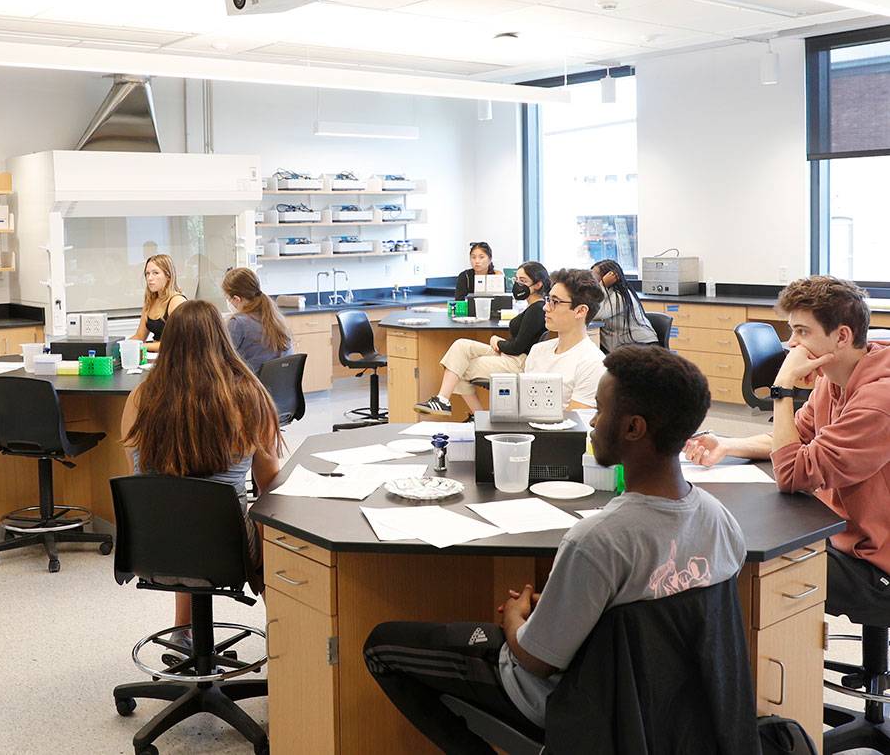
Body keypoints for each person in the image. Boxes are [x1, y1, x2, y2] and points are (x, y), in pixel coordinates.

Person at [364, 346, 746, 752]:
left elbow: (535, 659)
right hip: (670, 712)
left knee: (382, 646)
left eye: (600, 410)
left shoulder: (597, 540)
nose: (594, 423)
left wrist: (514, 618)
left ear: (633, 428)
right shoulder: (721, 521)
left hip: (572, 702)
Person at [684, 275, 890, 625]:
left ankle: (771, 669)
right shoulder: (832, 379)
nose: (791, 345)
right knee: (736, 538)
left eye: (802, 332)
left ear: (842, 336)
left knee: (740, 565)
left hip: (874, 566)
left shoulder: (878, 400)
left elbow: (793, 473)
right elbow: (794, 440)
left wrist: (782, 389)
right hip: (840, 532)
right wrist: (729, 444)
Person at [121, 299, 283, 652]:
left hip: (150, 548)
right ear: (221, 340)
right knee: (277, 527)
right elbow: (271, 484)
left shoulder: (140, 397)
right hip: (226, 551)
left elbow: (138, 476)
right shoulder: (249, 396)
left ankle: (183, 630)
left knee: (179, 507)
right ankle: (284, 636)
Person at [415, 262, 551, 417]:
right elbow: (520, 341)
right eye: (516, 280)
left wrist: (497, 342)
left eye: (523, 281)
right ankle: (442, 400)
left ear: (538, 284)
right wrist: (498, 340)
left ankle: (478, 417)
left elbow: (517, 347)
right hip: (512, 356)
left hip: (518, 362)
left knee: (458, 369)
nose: (518, 285)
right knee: (461, 346)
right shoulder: (532, 307)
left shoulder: (537, 310)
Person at [519, 268, 607, 409]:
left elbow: (576, 425)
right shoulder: (538, 351)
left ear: (580, 311)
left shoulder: (592, 363)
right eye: (548, 299)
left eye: (555, 302)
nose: (546, 308)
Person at [222, 267, 293, 375]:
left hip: (251, 389)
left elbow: (222, 362)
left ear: (236, 299)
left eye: (228, 298)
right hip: (278, 389)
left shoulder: (238, 323)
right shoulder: (275, 318)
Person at [591, 258, 658, 352]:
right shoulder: (606, 292)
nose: (591, 278)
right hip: (621, 343)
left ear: (609, 277)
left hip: (641, 345)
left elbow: (595, 314)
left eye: (595, 274)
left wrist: (602, 286)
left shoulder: (620, 295)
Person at [130, 253, 186, 349]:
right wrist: (118, 346)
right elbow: (139, 336)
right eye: (147, 274)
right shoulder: (150, 302)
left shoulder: (177, 301)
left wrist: (140, 346)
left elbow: (176, 343)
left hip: (172, 358)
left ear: (168, 276)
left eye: (155, 273)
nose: (150, 278)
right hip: (154, 356)